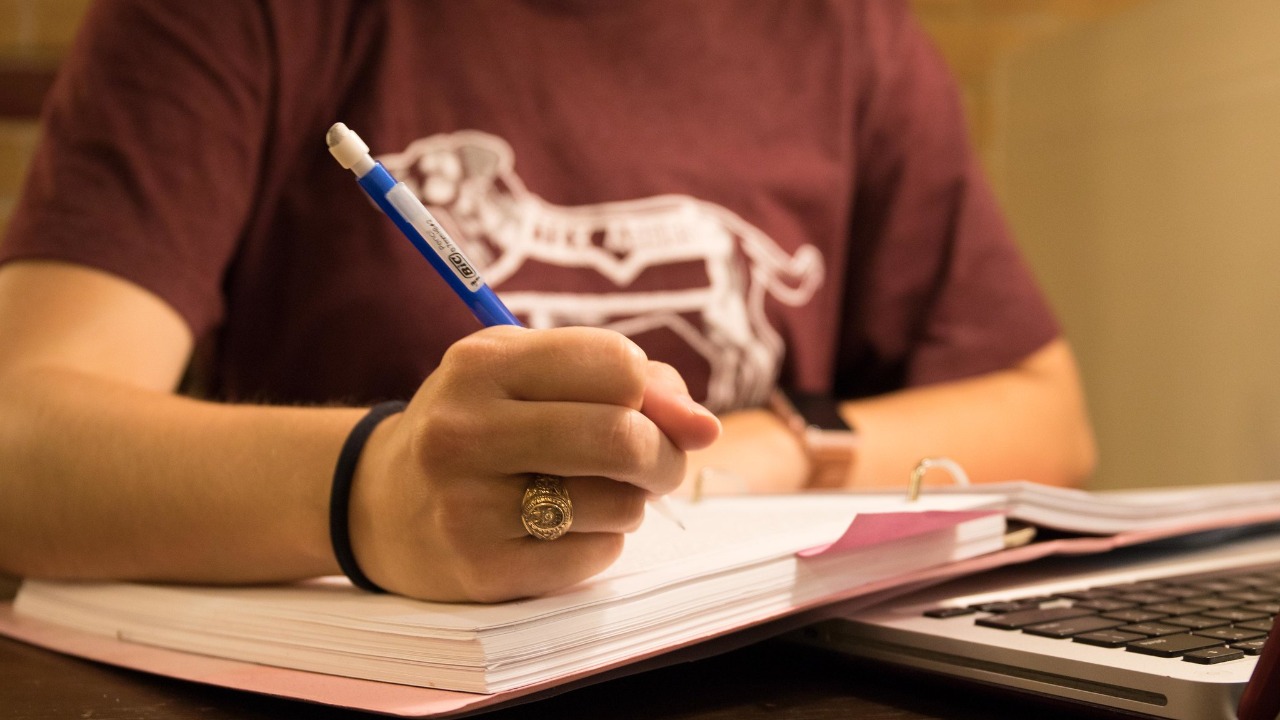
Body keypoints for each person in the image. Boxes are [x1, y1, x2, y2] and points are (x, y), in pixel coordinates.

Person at [0, 1, 1095, 602]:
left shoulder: (844, 32)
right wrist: (376, 487)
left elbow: (1047, 417)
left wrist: (752, 452)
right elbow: (21, 437)